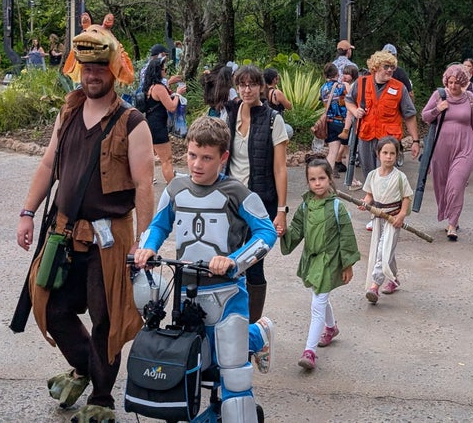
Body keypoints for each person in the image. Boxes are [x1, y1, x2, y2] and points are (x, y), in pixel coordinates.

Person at [14, 22, 152, 418]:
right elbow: (48, 165)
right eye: (86, 68)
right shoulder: (70, 111)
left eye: (100, 69)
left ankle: (101, 399)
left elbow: (144, 186)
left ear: (114, 71)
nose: (92, 75)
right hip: (63, 233)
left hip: (109, 239)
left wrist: (145, 241)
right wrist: (27, 212)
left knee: (106, 320)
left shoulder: (132, 122)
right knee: (52, 308)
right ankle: (86, 368)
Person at [134, 116, 276, 418]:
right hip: (185, 295)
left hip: (227, 294)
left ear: (223, 157)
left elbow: (267, 232)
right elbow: (159, 225)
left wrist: (234, 260)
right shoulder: (175, 189)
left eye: (207, 158)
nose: (197, 164)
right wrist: (148, 247)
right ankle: (257, 335)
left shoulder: (238, 193)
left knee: (233, 372)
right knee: (193, 364)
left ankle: (257, 336)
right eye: (192, 155)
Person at [276, 157, 360, 373]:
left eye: (321, 178)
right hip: (312, 260)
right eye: (312, 179)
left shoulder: (337, 207)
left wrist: (347, 264)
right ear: (308, 182)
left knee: (317, 302)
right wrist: (284, 233)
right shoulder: (306, 206)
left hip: (329, 261)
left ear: (330, 178)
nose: (317, 183)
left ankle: (309, 352)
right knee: (319, 295)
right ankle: (331, 328)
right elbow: (297, 229)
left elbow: (347, 237)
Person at [223, 65, 289, 322]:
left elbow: (280, 169)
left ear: (261, 87)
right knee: (226, 258)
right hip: (230, 200)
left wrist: (281, 211)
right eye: (242, 84)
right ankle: (228, 318)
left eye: (252, 84)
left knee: (253, 263)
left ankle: (251, 325)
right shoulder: (229, 114)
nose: (247, 89)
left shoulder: (273, 119)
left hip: (260, 202)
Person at [421, 64, 473, 241]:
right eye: (450, 82)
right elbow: (425, 116)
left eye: (457, 82)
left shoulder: (471, 99)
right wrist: (438, 109)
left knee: (456, 184)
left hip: (465, 147)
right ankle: (449, 214)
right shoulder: (439, 95)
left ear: (463, 82)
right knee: (442, 185)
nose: (453, 86)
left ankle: (452, 224)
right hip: (440, 147)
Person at [344, 50, 421, 189]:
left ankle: (385, 200)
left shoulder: (399, 88)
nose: (390, 70)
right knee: (369, 176)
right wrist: (355, 111)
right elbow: (348, 100)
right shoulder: (361, 83)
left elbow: (409, 115)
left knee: (385, 176)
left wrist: (415, 141)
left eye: (392, 67)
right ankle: (373, 200)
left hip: (388, 140)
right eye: (386, 66)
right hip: (366, 137)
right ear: (376, 67)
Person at [358, 138, 410, 301]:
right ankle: (393, 279)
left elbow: (407, 197)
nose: (388, 157)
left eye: (392, 153)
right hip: (378, 218)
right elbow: (369, 195)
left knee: (383, 251)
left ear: (397, 155)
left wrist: (401, 215)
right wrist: (365, 203)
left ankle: (375, 286)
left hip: (393, 219)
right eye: (385, 153)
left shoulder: (400, 177)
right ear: (378, 154)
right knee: (386, 250)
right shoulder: (373, 175)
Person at [141, 45, 186, 184]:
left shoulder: (149, 87)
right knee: (167, 160)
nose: (165, 71)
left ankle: (149, 180)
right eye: (164, 69)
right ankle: (172, 187)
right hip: (158, 126)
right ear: (158, 71)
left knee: (153, 156)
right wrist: (178, 94)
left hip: (150, 124)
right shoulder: (159, 88)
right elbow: (171, 107)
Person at [318, 63, 348, 174]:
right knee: (348, 151)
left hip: (330, 122)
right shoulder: (341, 87)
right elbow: (349, 101)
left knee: (332, 153)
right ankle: (352, 179)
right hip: (343, 122)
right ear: (337, 74)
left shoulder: (323, 88)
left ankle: (327, 177)